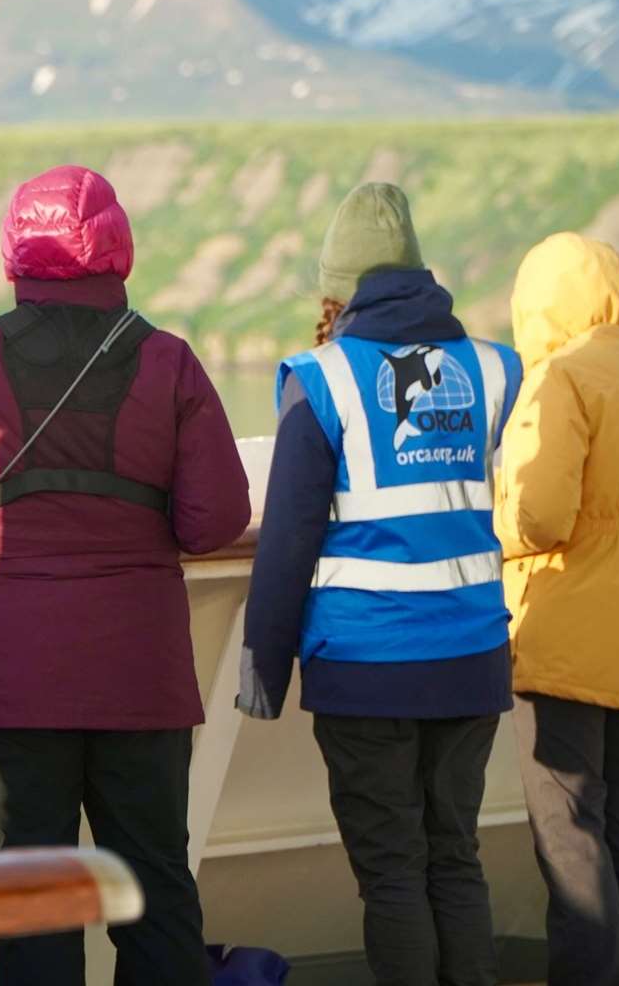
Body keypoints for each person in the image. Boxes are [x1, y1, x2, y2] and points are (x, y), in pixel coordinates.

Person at [0, 165, 251, 986]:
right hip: (136, 670)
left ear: (14, 253)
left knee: (30, 895)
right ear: (117, 251)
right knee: (153, 887)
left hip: (12, 659)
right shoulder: (167, 361)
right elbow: (214, 521)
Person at [238, 183, 523, 986]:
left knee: (393, 871)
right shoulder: (494, 370)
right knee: (454, 859)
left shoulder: (321, 378)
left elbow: (289, 538)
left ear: (335, 286)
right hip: (471, 656)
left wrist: (263, 669)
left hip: (367, 668)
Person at [494, 233, 619, 986]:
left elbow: (541, 514)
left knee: (569, 832)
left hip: (567, 632)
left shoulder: (560, 378)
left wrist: (488, 526)